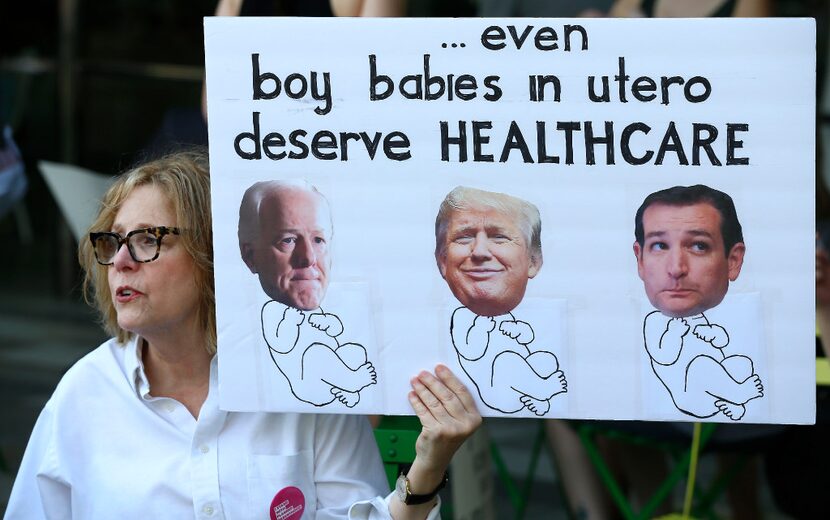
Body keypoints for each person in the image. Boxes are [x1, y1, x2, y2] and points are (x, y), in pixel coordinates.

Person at [4, 150, 481, 519]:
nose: (122, 261)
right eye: (113, 241)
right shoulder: (83, 396)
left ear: (216, 254)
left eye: (149, 239)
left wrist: (427, 469)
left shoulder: (305, 388)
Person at [238, 180, 377, 408]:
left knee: (354, 351)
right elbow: (282, 344)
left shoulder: (314, 306)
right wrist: (292, 323)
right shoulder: (274, 310)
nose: (309, 257)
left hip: (328, 380)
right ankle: (350, 382)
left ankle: (345, 388)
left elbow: (334, 331)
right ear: (251, 256)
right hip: (307, 381)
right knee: (316, 356)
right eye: (288, 240)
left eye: (318, 240)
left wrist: (328, 324)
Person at [633, 184, 763, 420]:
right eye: (660, 245)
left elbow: (720, 345)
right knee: (702, 366)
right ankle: (738, 393)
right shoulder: (655, 322)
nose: (676, 269)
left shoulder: (704, 315)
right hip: (690, 395)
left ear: (733, 261)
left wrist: (714, 335)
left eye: (698, 246)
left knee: (741, 362)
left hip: (718, 392)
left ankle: (733, 401)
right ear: (640, 260)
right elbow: (664, 357)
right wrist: (674, 334)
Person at [435, 186, 566, 416]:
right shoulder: (462, 316)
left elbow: (525, 341)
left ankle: (538, 396)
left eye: (499, 237)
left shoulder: (511, 313)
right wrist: (482, 329)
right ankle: (542, 389)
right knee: (507, 363)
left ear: (533, 261)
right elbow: (471, 351)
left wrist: (520, 331)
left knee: (544, 359)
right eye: (464, 237)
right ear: (443, 262)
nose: (479, 252)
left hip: (521, 383)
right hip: (498, 389)